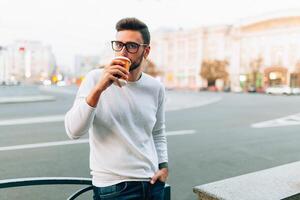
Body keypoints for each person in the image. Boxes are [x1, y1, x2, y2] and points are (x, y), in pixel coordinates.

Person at [64, 17, 169, 200]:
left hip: (152, 185)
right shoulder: (95, 79)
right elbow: (73, 131)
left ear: (146, 51)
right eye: (119, 45)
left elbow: (158, 132)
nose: (123, 52)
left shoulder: (155, 87)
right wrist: (99, 88)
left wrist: (163, 166)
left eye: (131, 46)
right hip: (114, 189)